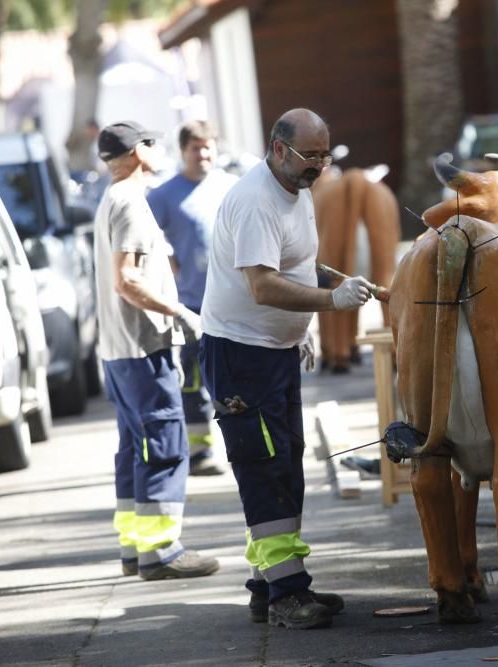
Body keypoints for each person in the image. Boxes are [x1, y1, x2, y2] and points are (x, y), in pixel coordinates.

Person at [199, 108, 374, 629]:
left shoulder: (295, 191)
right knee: (265, 468)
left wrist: (303, 331)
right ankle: (287, 596)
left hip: (272, 351)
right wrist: (330, 302)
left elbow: (294, 264)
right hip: (241, 355)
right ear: (278, 149)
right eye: (309, 156)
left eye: (325, 154)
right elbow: (262, 284)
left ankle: (271, 583)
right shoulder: (256, 200)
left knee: (286, 461)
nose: (318, 166)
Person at [93, 120, 221, 581]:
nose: (159, 150)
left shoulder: (112, 199)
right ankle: (162, 550)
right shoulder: (129, 202)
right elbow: (127, 280)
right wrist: (180, 312)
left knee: (134, 448)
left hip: (120, 350)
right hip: (143, 346)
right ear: (138, 152)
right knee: (164, 445)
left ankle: (134, 546)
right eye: (153, 143)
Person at [147, 120, 239, 476]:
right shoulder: (164, 195)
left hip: (232, 300)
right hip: (191, 305)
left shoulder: (231, 188)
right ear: (182, 151)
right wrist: (169, 265)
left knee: (234, 376)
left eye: (208, 147)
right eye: (195, 148)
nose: (202, 154)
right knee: (194, 381)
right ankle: (200, 453)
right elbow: (147, 242)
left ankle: (240, 444)